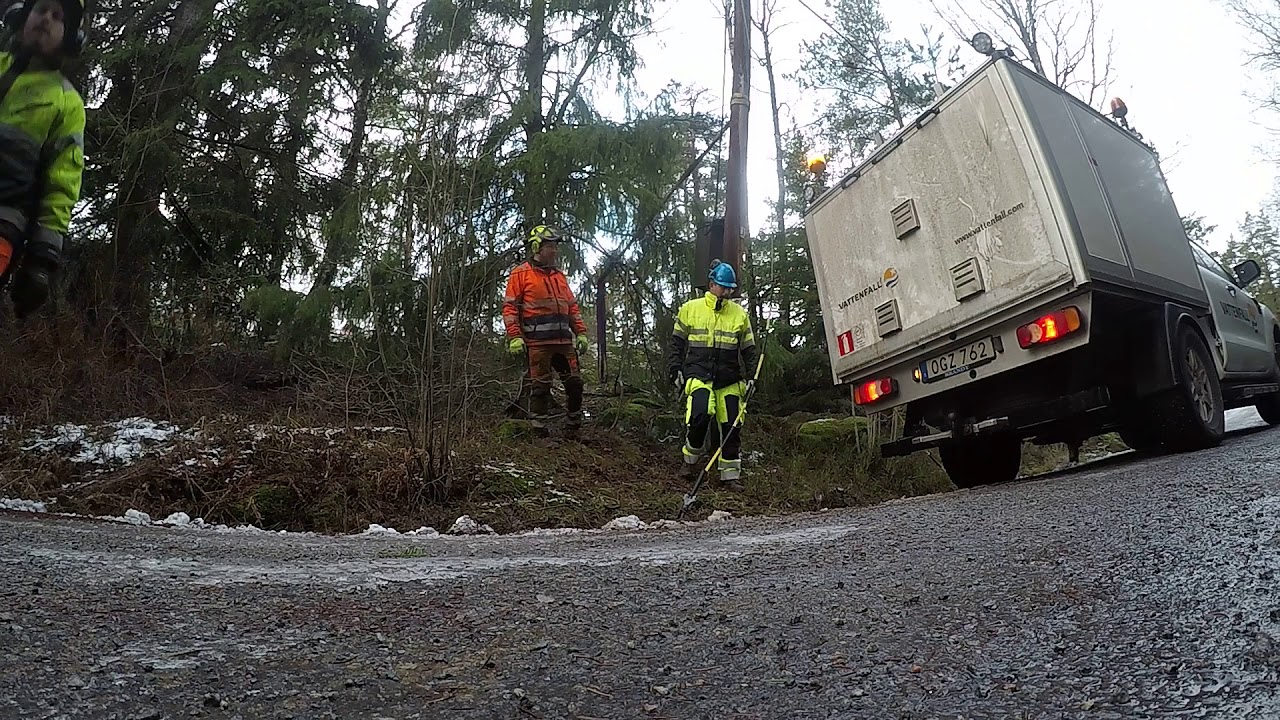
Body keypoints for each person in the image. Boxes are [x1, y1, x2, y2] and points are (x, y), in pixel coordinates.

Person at [0, 0, 85, 318]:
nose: (46, 19)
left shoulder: (67, 102)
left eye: (58, 16)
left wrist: (43, 258)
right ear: (22, 16)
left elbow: (63, 181)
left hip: (4, 221)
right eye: (41, 9)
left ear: (69, 35)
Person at [667, 260, 758, 491]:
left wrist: (752, 378)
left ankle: (730, 476)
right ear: (711, 284)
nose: (727, 292)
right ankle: (689, 460)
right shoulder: (690, 308)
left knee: (731, 425)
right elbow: (676, 343)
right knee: (699, 415)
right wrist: (675, 369)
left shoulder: (739, 314)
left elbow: (749, 349)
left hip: (729, 379)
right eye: (723, 287)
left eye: (730, 288)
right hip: (698, 374)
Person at [503, 225, 591, 435]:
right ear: (537, 248)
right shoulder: (521, 274)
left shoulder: (559, 276)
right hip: (538, 342)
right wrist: (514, 336)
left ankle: (574, 425)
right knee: (540, 385)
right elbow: (509, 307)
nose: (554, 251)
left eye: (555, 246)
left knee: (575, 383)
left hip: (563, 342)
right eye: (550, 246)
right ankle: (538, 427)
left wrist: (581, 332)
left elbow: (572, 307)